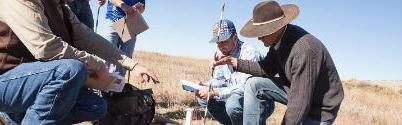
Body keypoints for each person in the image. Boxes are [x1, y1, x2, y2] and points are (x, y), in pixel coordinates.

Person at [0, 0, 158, 124]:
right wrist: (97, 64)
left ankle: (18, 118)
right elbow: (46, 47)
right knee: (70, 70)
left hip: (32, 81)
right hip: (6, 80)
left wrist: (133, 65)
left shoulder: (61, 7)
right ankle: (12, 113)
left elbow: (88, 38)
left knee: (96, 106)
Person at [213, 1, 344, 125]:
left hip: (318, 107)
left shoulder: (303, 49)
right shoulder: (278, 42)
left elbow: (299, 103)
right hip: (295, 89)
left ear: (274, 29)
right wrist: (233, 61)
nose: (258, 38)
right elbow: (265, 68)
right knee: (253, 84)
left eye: (261, 33)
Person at [195, 19, 273, 125]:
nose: (220, 46)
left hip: (259, 100)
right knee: (205, 99)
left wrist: (215, 92)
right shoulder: (220, 53)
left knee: (233, 104)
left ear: (234, 37)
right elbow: (219, 81)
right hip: (235, 96)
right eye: (218, 43)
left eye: (224, 41)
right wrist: (205, 86)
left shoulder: (249, 52)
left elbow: (245, 88)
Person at [101, 0, 146, 77]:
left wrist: (139, 9)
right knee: (107, 54)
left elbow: (142, 6)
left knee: (125, 57)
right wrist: (124, 6)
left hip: (130, 21)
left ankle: (118, 86)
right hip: (114, 18)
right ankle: (100, 83)